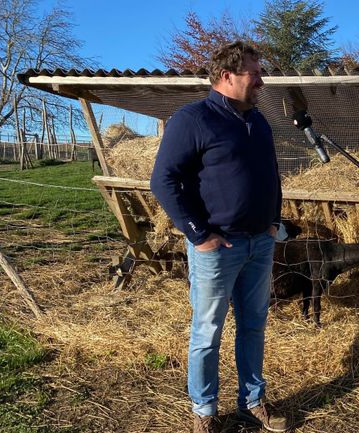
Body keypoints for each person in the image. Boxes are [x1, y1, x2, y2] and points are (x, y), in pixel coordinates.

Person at [150, 41, 291, 433]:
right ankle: (204, 411)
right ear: (227, 76)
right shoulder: (193, 119)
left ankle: (252, 402)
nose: (261, 80)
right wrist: (199, 234)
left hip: (259, 243)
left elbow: (271, 176)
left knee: (253, 326)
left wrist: (272, 222)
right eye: (254, 73)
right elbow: (163, 180)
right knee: (207, 331)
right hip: (217, 247)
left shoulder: (257, 121)